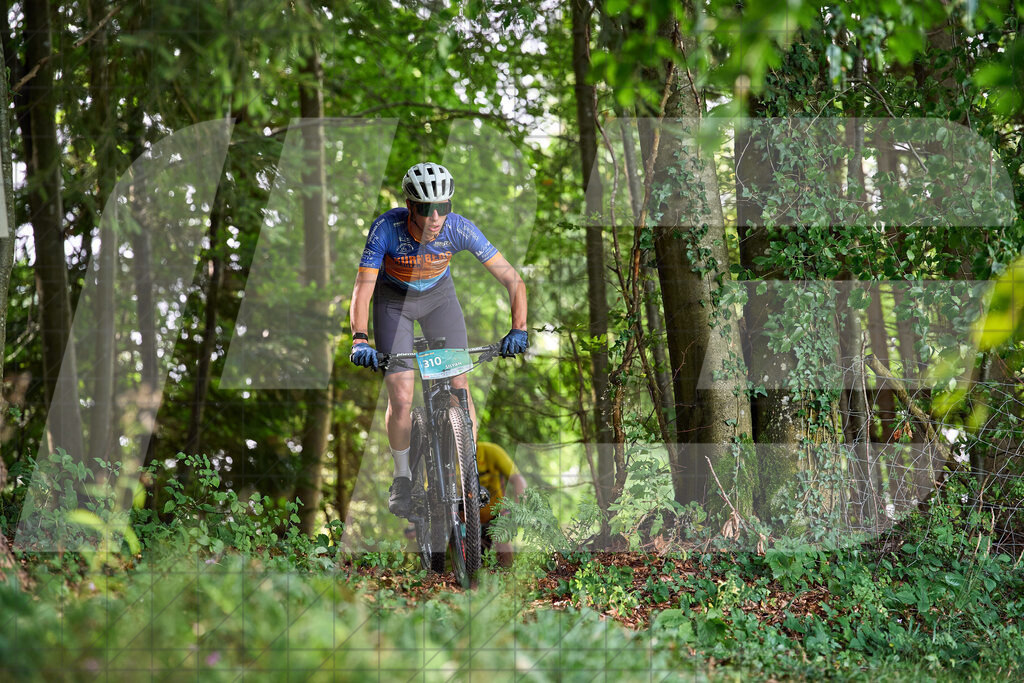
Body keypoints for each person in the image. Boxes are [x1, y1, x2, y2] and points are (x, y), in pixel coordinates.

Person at [348, 162, 528, 518]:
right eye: (425, 209)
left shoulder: (459, 228)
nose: (434, 218)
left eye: (442, 208)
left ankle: (469, 475)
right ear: (409, 205)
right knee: (401, 393)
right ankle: (402, 478)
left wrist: (519, 328)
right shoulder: (386, 228)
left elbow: (513, 280)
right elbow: (363, 287)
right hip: (393, 302)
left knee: (460, 385)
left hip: (439, 299)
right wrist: (359, 338)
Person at [476, 441, 527, 567]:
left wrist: (515, 513)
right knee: (470, 566)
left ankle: (508, 578)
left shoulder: (491, 451)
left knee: (502, 537)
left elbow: (519, 480)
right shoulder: (447, 458)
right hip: (465, 521)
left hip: (495, 514)